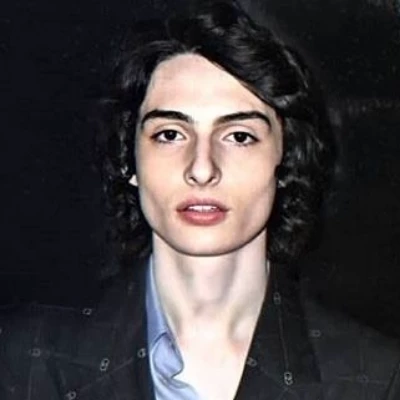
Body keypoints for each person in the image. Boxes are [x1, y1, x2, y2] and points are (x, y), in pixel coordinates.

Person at [1, 1, 399, 399]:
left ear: (286, 161)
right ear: (128, 160)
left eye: (239, 137)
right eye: (170, 134)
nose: (202, 168)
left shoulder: (375, 379)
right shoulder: (27, 362)